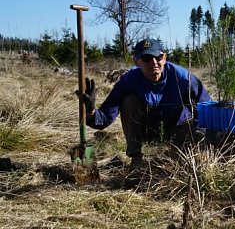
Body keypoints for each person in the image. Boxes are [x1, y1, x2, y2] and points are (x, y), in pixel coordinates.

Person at [75, 39, 211, 165]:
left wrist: (200, 135)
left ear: (164, 58)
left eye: (158, 57)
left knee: (179, 160)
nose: (154, 63)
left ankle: (184, 155)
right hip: (147, 131)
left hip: (178, 131)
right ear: (136, 61)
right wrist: (91, 111)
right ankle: (136, 159)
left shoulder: (184, 79)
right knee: (129, 100)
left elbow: (207, 109)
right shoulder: (128, 81)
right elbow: (105, 117)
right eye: (147, 58)